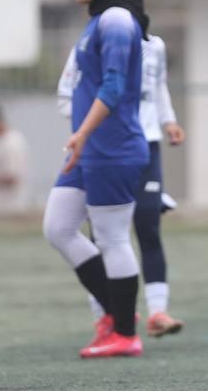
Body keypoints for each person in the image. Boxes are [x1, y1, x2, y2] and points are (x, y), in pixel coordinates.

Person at [43, 0, 150, 359]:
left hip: (113, 148)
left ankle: (123, 333)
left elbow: (114, 86)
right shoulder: (98, 22)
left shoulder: (118, 20)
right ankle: (117, 311)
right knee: (58, 228)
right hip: (88, 148)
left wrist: (83, 133)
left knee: (112, 238)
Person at [65, 31, 187, 340]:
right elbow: (67, 95)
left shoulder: (154, 46)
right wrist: (89, 127)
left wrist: (168, 121)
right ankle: (106, 314)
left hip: (145, 146)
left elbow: (158, 87)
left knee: (148, 225)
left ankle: (157, 312)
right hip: (106, 148)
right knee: (102, 235)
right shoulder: (89, 44)